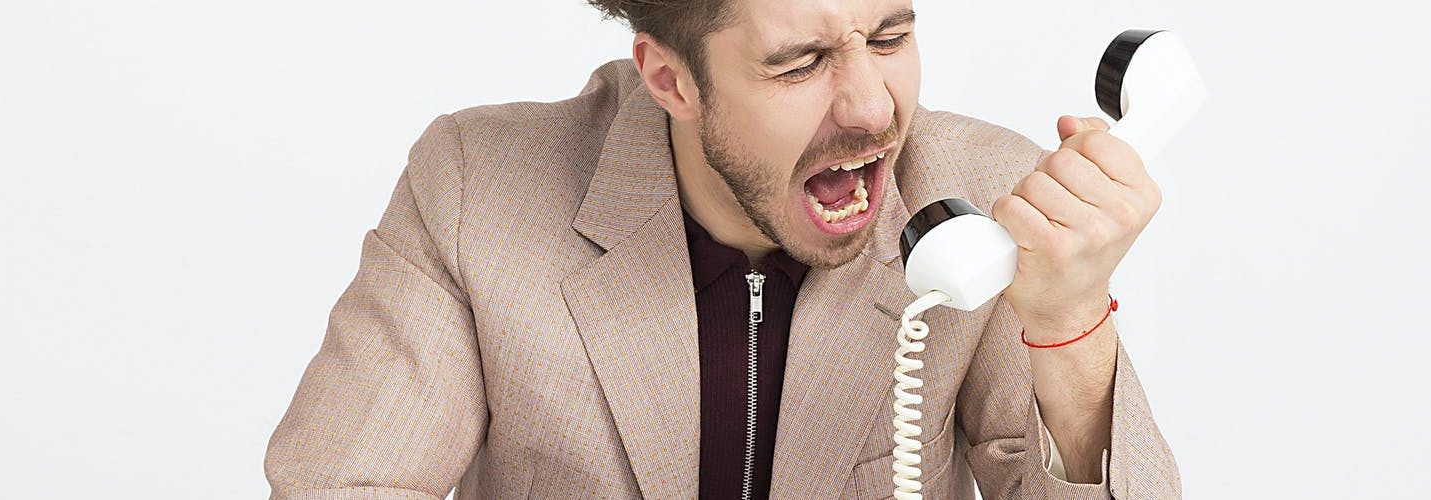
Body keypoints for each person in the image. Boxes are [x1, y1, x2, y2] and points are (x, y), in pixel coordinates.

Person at [264, 1, 1180, 498]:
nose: (871, 108)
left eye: (891, 36)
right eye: (800, 63)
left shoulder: (979, 201)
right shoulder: (476, 187)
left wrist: (1069, 326)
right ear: (670, 78)